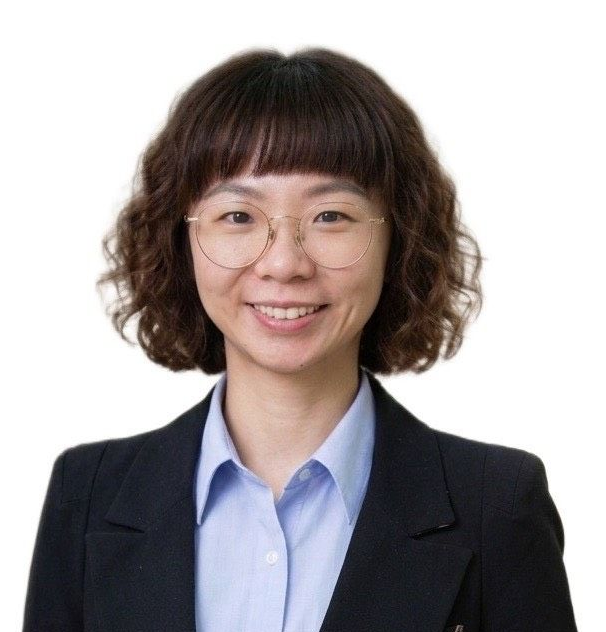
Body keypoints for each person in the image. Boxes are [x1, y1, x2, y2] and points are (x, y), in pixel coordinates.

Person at [23, 48, 578, 632]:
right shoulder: (87, 495)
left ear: (400, 239)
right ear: (179, 240)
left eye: (330, 216)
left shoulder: (496, 506)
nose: (284, 264)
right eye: (238, 216)